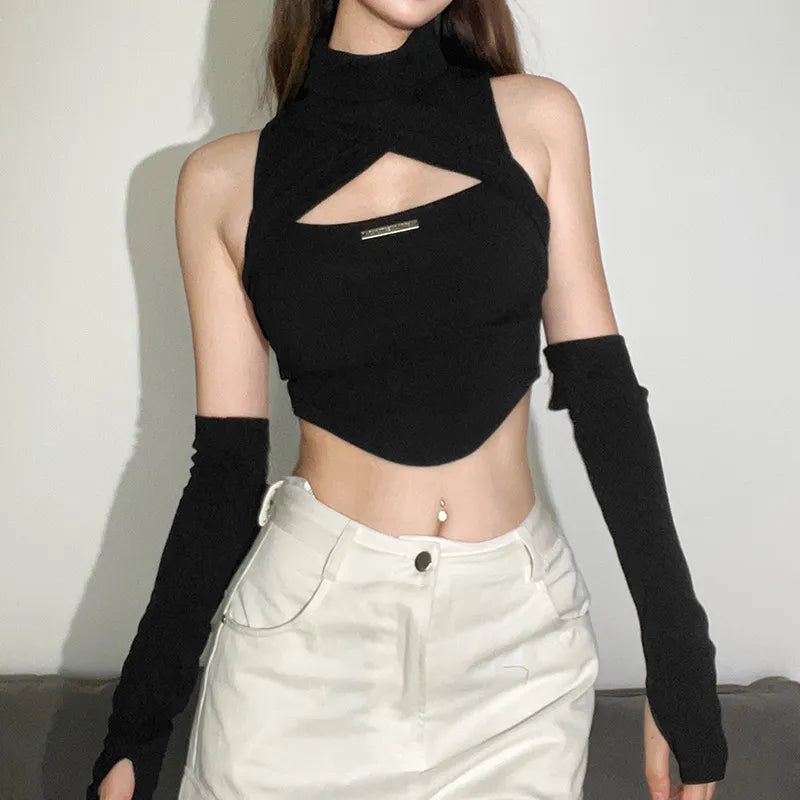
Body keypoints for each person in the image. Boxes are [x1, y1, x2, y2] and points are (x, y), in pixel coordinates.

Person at [87, 1, 728, 798]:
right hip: (302, 654)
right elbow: (223, 475)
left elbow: (605, 398)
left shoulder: (537, 121)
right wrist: (136, 731)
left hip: (515, 658)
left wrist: (680, 660)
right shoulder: (221, 184)